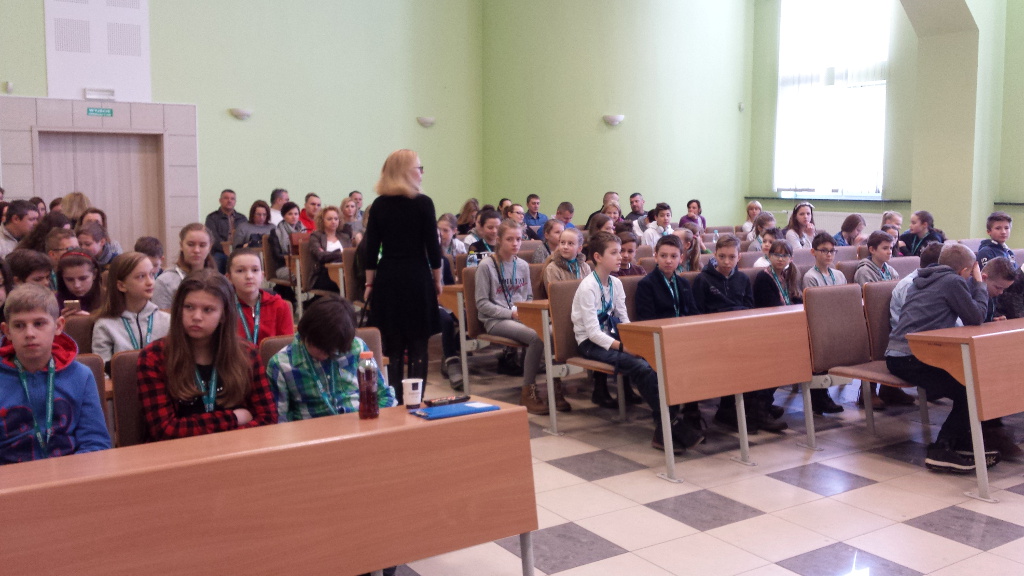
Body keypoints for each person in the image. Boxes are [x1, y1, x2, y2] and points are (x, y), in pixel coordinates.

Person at [573, 231, 704, 453]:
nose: (621, 257)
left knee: (652, 361)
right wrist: (626, 348)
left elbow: (624, 321)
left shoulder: (615, 283)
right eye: (614, 253)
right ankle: (670, 424)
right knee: (641, 366)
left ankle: (665, 429)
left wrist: (634, 343)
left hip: (615, 337)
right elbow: (593, 333)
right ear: (598, 257)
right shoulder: (588, 287)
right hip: (590, 343)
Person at [885, 244, 997, 473]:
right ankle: (941, 449)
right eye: (970, 272)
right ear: (964, 270)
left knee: (968, 386)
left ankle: (959, 441)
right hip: (911, 357)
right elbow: (976, 317)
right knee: (970, 391)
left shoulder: (923, 279)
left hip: (899, 355)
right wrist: (980, 283)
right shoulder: (952, 282)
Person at [137, 269, 278, 441]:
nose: (196, 317)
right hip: (179, 453)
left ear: (223, 315)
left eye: (208, 310)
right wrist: (233, 418)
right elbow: (165, 430)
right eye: (189, 307)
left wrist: (223, 440)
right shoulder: (154, 357)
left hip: (238, 450)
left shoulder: (247, 354)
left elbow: (268, 418)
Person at [363, 149, 442, 402]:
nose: (422, 173)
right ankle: (415, 401)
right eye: (419, 168)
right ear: (406, 172)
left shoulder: (379, 204)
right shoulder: (423, 203)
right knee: (418, 345)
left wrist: (369, 283)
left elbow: (371, 249)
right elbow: (433, 248)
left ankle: (395, 400)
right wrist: (438, 279)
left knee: (393, 346)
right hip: (417, 277)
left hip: (388, 279)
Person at [0, 283, 111, 464]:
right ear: (7, 331)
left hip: (72, 472)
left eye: (39, 323)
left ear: (58, 326)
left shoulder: (81, 376)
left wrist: (67, 474)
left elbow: (96, 442)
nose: (29, 333)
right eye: (19, 325)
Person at [269, 295, 395, 421]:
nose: (325, 356)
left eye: (334, 352)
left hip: (358, 423)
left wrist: (373, 423)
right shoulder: (281, 364)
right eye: (320, 349)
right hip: (312, 429)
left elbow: (385, 395)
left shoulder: (356, 347)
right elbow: (280, 419)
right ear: (305, 334)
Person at [475, 219, 553, 414]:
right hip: (496, 320)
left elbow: (528, 297)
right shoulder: (487, 266)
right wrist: (511, 313)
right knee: (536, 336)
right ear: (499, 240)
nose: (515, 243)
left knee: (553, 330)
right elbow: (482, 304)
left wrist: (525, 313)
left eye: (518, 239)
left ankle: (556, 388)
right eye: (509, 239)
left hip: (520, 317)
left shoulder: (523, 265)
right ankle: (528, 391)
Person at [634, 234, 701, 425]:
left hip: (683, 338)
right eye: (663, 256)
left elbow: (693, 313)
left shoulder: (683, 283)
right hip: (659, 339)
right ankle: (668, 418)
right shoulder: (647, 284)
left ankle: (692, 411)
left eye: (673, 256)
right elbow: (647, 321)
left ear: (681, 258)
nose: (668, 260)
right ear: (655, 256)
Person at [749, 239, 803, 429]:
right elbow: (770, 308)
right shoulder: (764, 277)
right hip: (768, 329)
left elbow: (797, 300)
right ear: (769, 256)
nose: (780, 259)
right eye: (776, 255)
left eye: (784, 255)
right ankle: (759, 408)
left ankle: (764, 403)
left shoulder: (789, 276)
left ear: (791, 258)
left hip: (786, 326)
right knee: (778, 360)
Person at [91, 252, 171, 370]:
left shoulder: (167, 320)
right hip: (121, 381)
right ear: (121, 286)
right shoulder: (105, 325)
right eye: (141, 276)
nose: (150, 282)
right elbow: (102, 371)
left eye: (151, 274)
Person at [225, 249, 294, 345]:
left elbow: (286, 346)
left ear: (262, 276)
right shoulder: (224, 307)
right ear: (229, 278)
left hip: (272, 355)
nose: (249, 276)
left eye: (255, 270)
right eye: (240, 271)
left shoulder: (279, 306)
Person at [152, 223, 216, 310]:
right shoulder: (165, 282)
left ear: (210, 247)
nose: (196, 250)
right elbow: (159, 315)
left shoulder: (217, 280)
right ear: (181, 245)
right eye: (191, 244)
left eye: (202, 245)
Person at [204, 189, 247, 272]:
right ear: (220, 200)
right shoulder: (212, 218)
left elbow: (246, 236)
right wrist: (226, 249)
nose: (229, 201)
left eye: (232, 199)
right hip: (219, 252)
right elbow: (213, 237)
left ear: (235, 202)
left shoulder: (242, 218)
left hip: (238, 251)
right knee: (216, 262)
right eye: (226, 198)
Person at [307, 205, 347, 294]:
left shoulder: (344, 237)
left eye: (336, 219)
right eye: (329, 219)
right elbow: (320, 256)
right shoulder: (316, 236)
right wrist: (340, 254)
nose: (333, 221)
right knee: (344, 284)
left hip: (344, 272)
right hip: (324, 274)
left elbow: (350, 255)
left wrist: (329, 254)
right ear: (322, 221)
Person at [268, 201, 307, 292]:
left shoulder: (304, 231)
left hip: (302, 265)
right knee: (303, 275)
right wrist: (294, 258)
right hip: (284, 267)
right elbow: (277, 256)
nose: (294, 216)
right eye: (290, 214)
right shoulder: (276, 232)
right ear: (283, 216)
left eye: (296, 214)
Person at [55, 251, 102, 317]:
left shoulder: (109, 299)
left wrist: (91, 320)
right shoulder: (54, 301)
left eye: (83, 278)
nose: (77, 285)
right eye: (69, 280)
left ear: (94, 274)